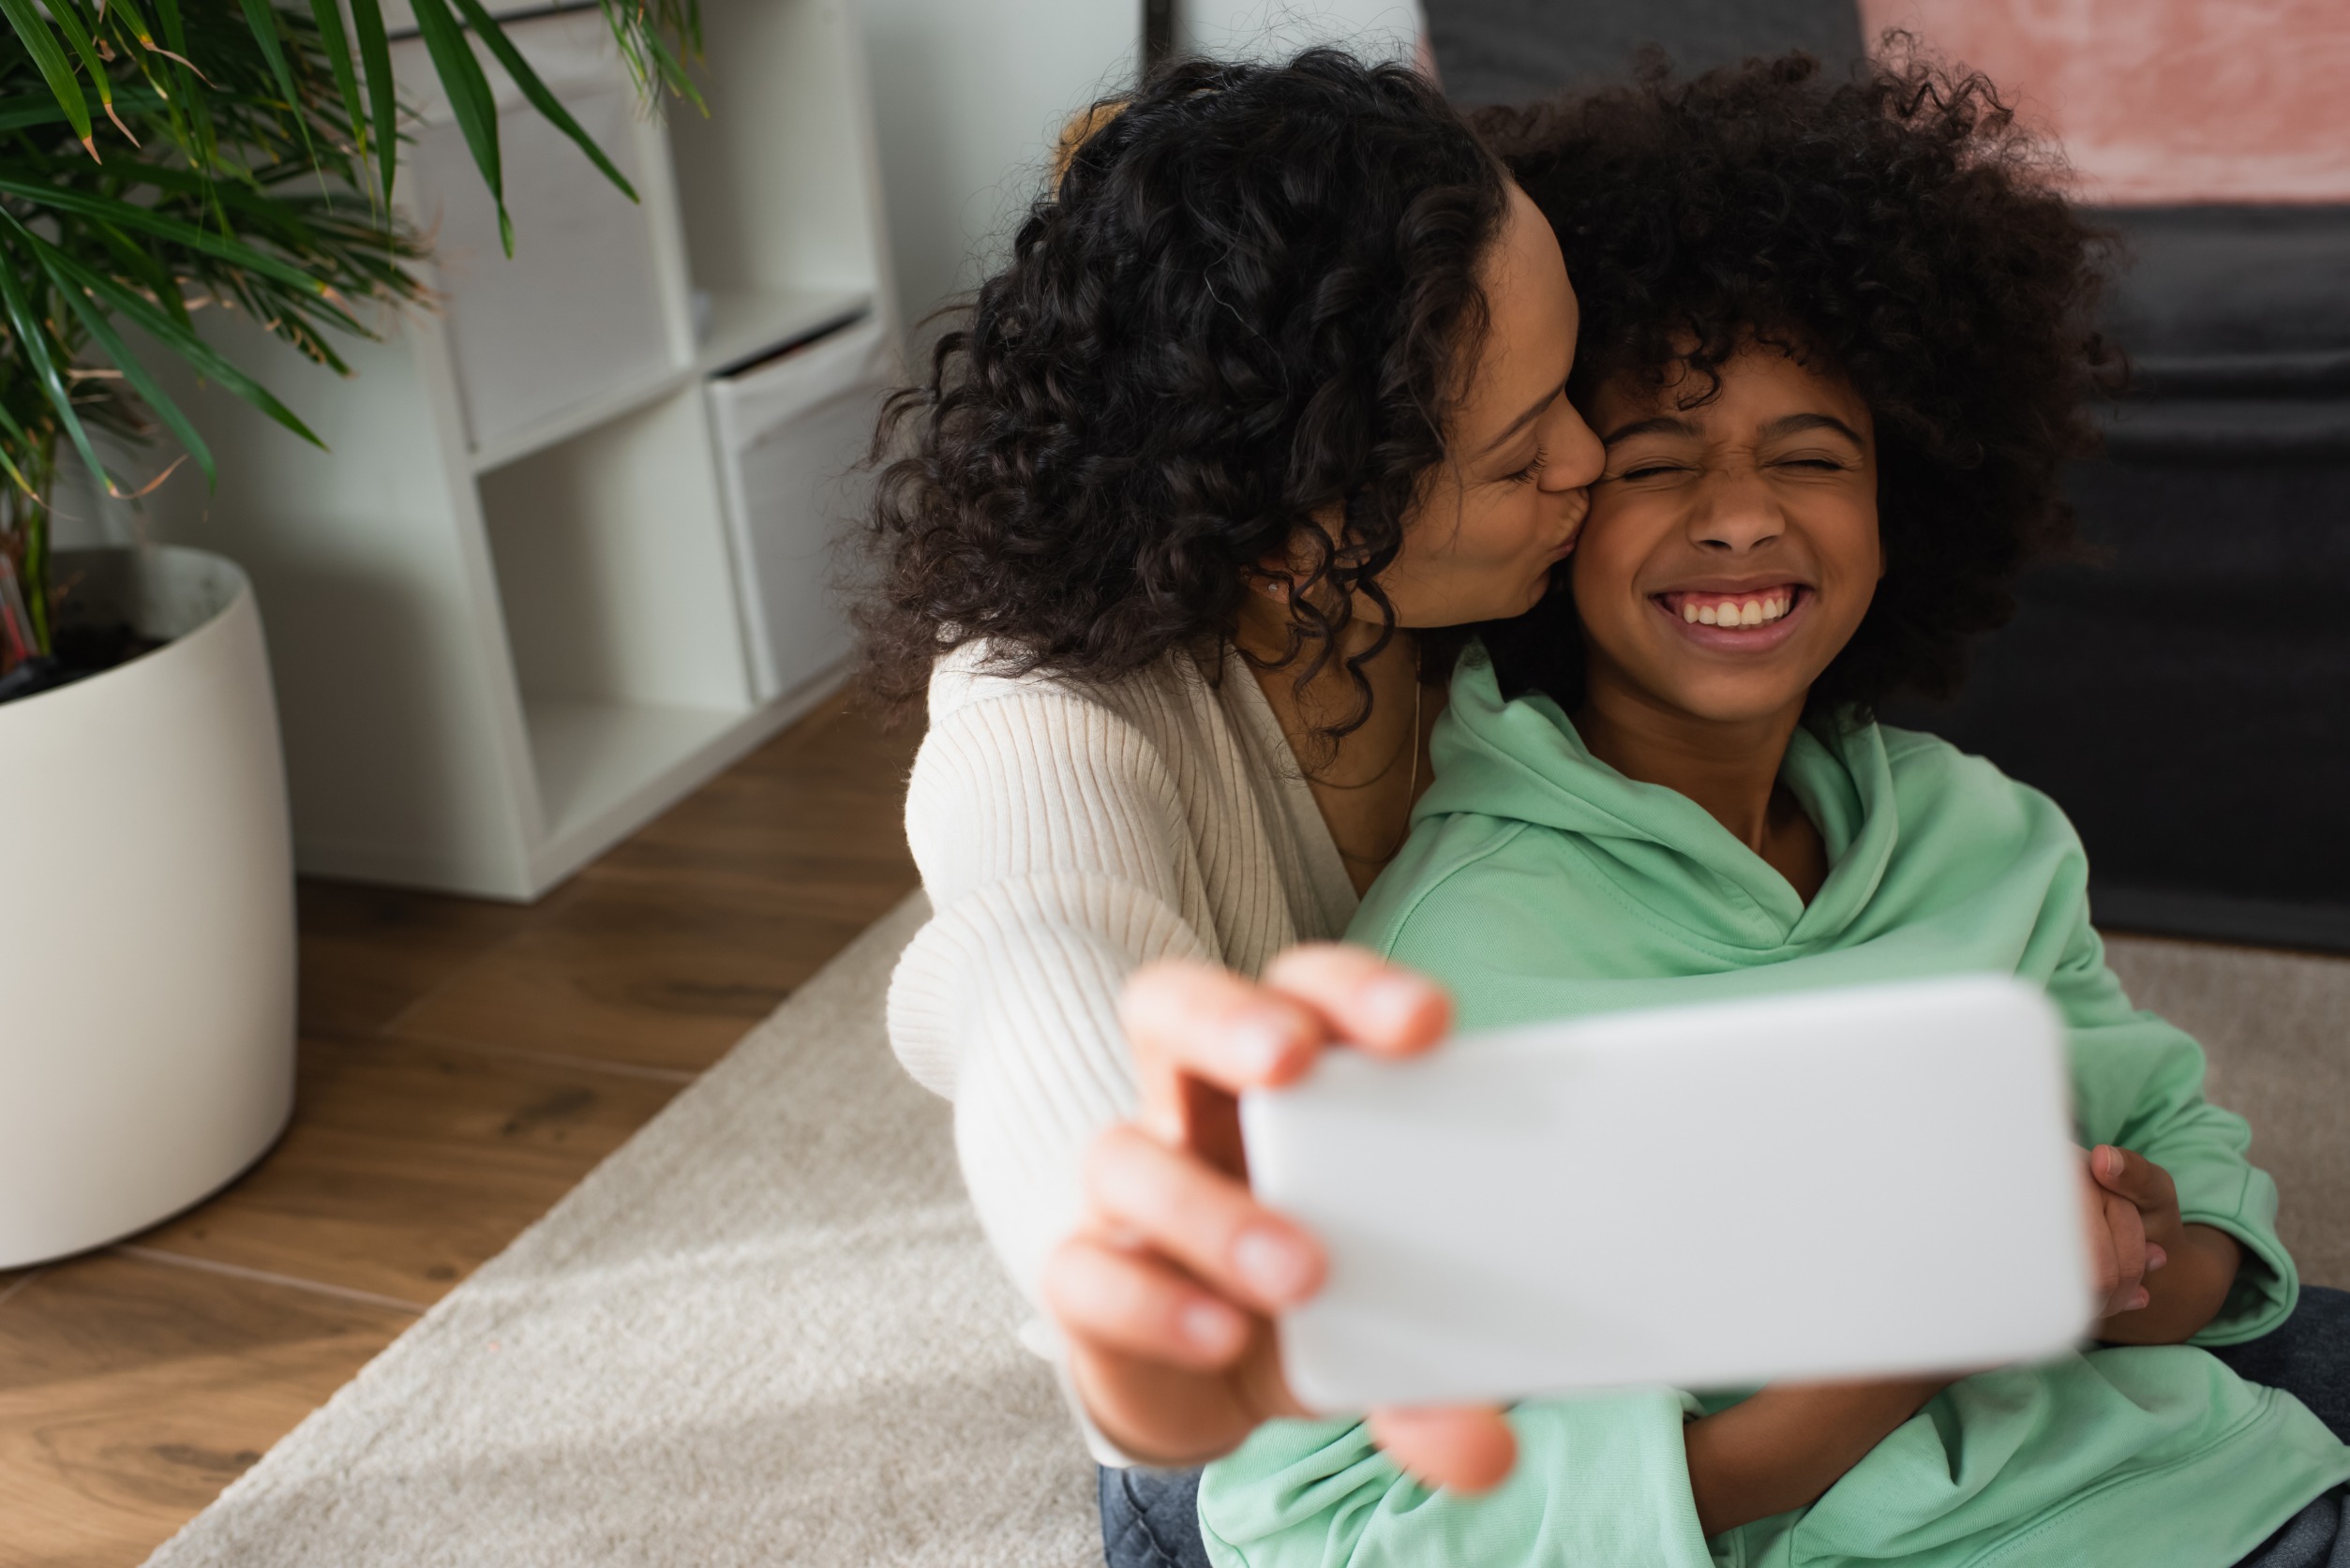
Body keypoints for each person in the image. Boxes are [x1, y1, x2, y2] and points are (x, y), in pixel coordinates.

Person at [1190, 52, 2350, 1568]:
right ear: (1553, 508)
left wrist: (2118, 1266)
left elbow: (2200, 1189)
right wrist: (1902, 1343)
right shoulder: (1451, 957)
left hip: (2203, 1491)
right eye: (1657, 466)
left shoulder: (1981, 832)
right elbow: (1315, 1521)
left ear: (1906, 499)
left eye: (1813, 456)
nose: (1743, 514)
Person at [863, 48, 1603, 1559]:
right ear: (1295, 520)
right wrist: (1129, 1253)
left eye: (1573, 395)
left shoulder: (1509, 616)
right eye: (1526, 449)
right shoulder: (1048, 697)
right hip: (1278, 1424)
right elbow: (1032, 951)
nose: (1591, 460)